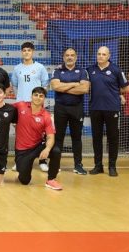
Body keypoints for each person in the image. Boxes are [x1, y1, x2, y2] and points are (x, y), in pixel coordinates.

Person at [87, 46, 129, 176]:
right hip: (95, 108)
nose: (101, 56)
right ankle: (98, 166)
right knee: (97, 138)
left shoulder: (116, 70)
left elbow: (127, 88)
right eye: (99, 54)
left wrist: (116, 92)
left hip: (112, 109)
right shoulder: (90, 70)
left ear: (109, 56)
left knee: (113, 138)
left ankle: (112, 166)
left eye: (103, 54)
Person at [11, 41, 49, 172]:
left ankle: (42, 160)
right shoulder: (17, 69)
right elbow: (14, 86)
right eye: (24, 50)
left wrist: (39, 100)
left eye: (29, 50)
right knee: (19, 134)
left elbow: (45, 86)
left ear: (33, 52)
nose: (26, 52)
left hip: (37, 105)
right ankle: (18, 160)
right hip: (22, 106)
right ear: (21, 52)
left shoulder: (40, 68)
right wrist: (20, 98)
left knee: (41, 133)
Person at [13, 87, 62, 190]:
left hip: (37, 146)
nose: (38, 98)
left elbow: (50, 137)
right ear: (31, 96)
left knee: (56, 150)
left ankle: (51, 180)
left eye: (41, 96)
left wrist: (47, 149)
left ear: (44, 98)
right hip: (22, 150)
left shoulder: (46, 116)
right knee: (24, 181)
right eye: (35, 95)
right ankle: (23, 169)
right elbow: (3, 108)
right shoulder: (21, 105)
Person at [50, 47, 89, 175]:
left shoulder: (82, 71)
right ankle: (56, 165)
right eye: (67, 55)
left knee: (76, 137)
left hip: (77, 108)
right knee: (58, 137)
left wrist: (64, 87)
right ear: (63, 57)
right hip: (60, 108)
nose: (70, 57)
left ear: (76, 57)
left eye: (72, 55)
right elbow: (55, 86)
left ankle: (78, 165)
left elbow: (84, 89)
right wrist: (75, 84)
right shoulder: (57, 70)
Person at [119, 71, 129, 154]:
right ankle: (127, 148)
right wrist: (121, 96)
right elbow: (117, 91)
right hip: (127, 111)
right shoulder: (126, 84)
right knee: (127, 130)